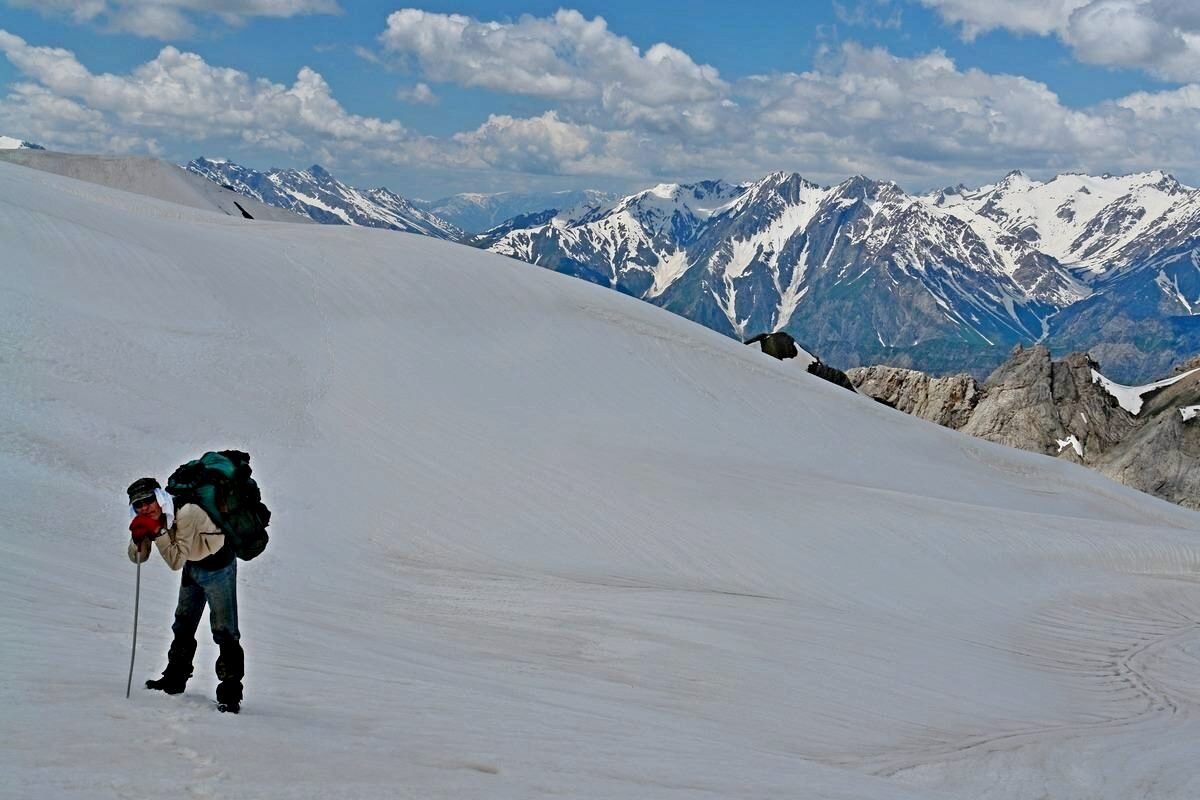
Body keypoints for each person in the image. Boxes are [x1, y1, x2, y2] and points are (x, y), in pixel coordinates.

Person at [126, 476, 245, 713]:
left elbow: (175, 561)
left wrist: (157, 531)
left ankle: (230, 695)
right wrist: (137, 537)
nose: (144, 507)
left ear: (159, 497)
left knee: (224, 630)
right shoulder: (152, 518)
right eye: (138, 504)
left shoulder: (187, 513)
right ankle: (174, 679)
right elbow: (138, 557)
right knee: (183, 624)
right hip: (194, 566)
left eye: (148, 500)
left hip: (218, 568)